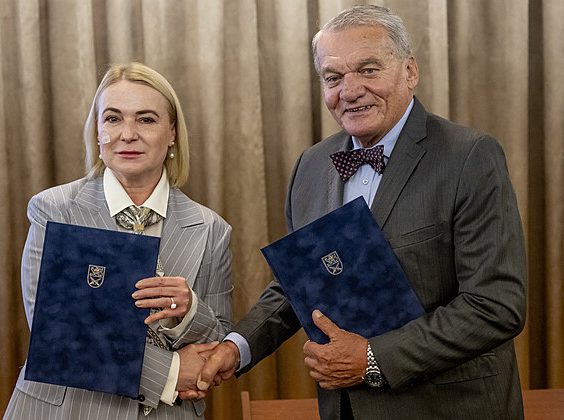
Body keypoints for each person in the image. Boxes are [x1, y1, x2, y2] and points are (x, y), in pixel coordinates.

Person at [195, 5, 526, 419]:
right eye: (333, 77)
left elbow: (496, 305)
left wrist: (372, 357)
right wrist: (235, 347)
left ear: (410, 71)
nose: (349, 91)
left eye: (368, 70)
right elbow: (300, 282)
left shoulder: (470, 156)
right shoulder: (310, 166)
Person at [4, 62, 233, 419]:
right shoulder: (54, 210)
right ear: (98, 132)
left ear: (172, 132)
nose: (127, 134)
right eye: (113, 118)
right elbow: (57, 336)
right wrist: (169, 373)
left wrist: (189, 310)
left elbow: (218, 343)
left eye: (146, 119)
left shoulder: (211, 228)